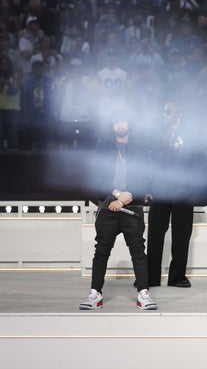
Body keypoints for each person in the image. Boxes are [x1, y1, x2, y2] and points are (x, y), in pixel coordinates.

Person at [79, 113, 157, 310]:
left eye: (123, 121)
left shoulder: (140, 148)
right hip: (108, 206)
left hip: (132, 206)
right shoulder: (103, 147)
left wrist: (123, 200)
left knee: (138, 251)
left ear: (130, 123)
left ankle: (143, 294)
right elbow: (96, 178)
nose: (120, 125)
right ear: (112, 125)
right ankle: (95, 294)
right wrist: (117, 195)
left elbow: (146, 177)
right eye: (116, 122)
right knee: (101, 251)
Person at [147, 102, 195, 288]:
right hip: (160, 190)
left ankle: (177, 276)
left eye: (167, 112)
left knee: (181, 235)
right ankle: (151, 276)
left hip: (183, 191)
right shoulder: (156, 135)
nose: (163, 115)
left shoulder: (191, 134)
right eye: (163, 112)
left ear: (178, 114)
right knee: (155, 234)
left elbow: (197, 162)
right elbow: (150, 163)